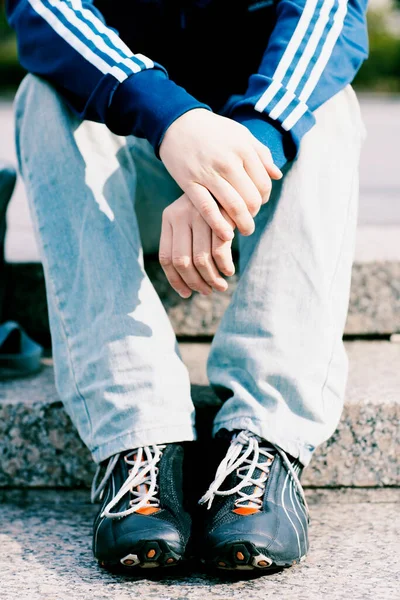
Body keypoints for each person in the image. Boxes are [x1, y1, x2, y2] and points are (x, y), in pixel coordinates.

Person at [6, 0, 368, 572]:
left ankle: (265, 438)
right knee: (42, 98)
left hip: (258, 161)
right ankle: (135, 435)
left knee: (330, 108)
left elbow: (327, 17)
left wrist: (235, 166)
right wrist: (171, 120)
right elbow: (45, 8)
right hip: (135, 154)